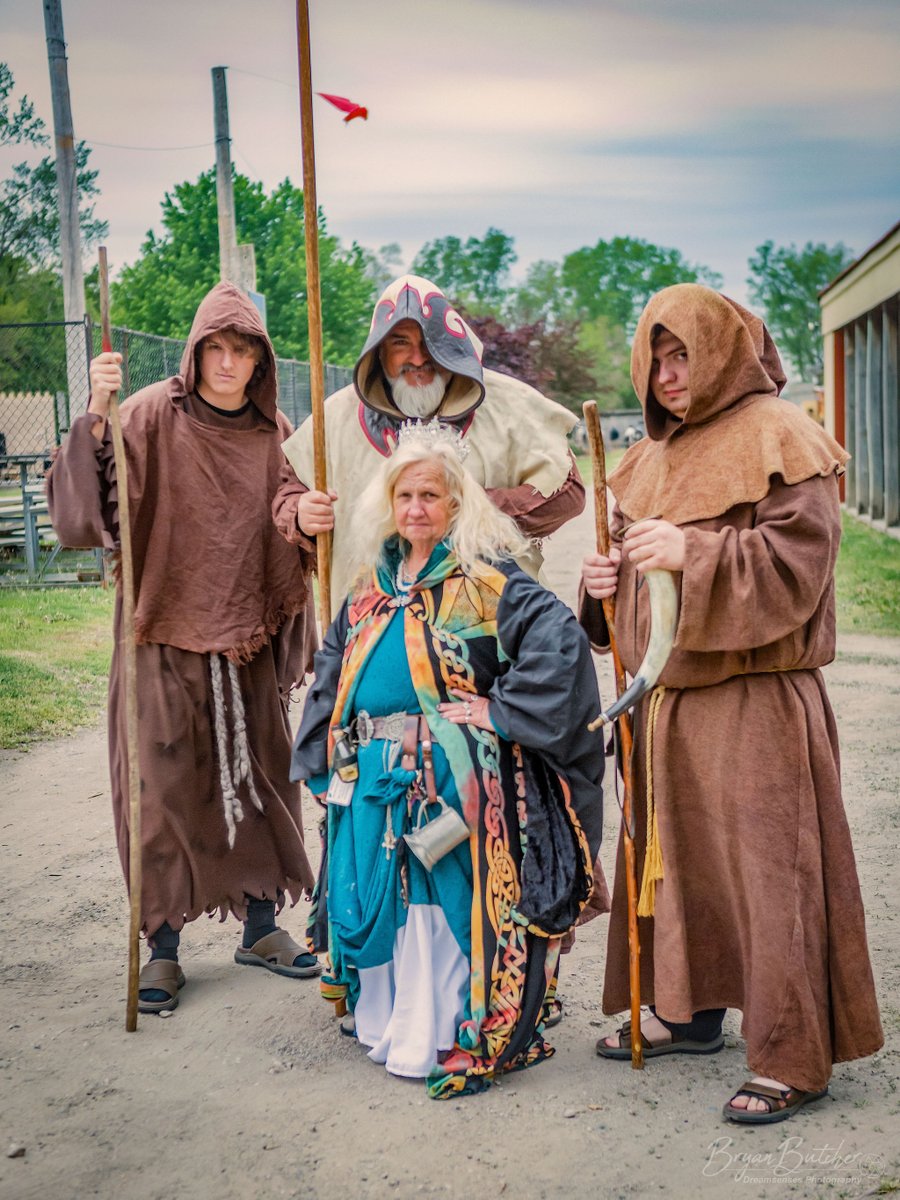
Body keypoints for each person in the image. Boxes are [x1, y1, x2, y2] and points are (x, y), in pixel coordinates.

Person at [580, 283, 883, 1124]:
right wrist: (601, 586)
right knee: (676, 874)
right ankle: (688, 1010)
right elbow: (632, 598)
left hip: (753, 704)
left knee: (768, 879)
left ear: (725, 350)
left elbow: (799, 569)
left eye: (685, 355)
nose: (670, 375)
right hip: (665, 709)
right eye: (658, 358)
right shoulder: (647, 458)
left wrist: (694, 549)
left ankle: (793, 1054)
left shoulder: (784, 437)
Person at [292, 427, 606, 1098]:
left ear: (457, 502)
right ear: (388, 502)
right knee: (373, 894)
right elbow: (332, 668)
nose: (415, 508)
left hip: (446, 786)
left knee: (438, 904)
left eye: (430, 494)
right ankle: (385, 1019)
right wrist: (329, 751)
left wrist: (495, 711)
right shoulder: (369, 587)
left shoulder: (487, 583)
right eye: (404, 494)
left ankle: (441, 1028)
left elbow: (561, 646)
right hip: (371, 775)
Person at [47, 282, 321, 1014]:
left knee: (261, 777)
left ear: (260, 361)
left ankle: (262, 926)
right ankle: (162, 946)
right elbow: (87, 512)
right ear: (196, 351)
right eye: (216, 348)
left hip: (248, 638)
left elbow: (286, 505)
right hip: (160, 631)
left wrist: (307, 516)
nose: (228, 363)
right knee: (161, 791)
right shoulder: (144, 415)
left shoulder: (271, 434)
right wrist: (97, 412)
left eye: (243, 351)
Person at [273, 274, 585, 613]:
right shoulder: (334, 418)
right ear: (379, 352)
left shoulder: (509, 404)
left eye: (429, 342)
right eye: (400, 342)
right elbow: (289, 493)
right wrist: (301, 513)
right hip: (370, 627)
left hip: (489, 628)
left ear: (451, 344)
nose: (418, 358)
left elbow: (568, 491)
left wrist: (471, 510)